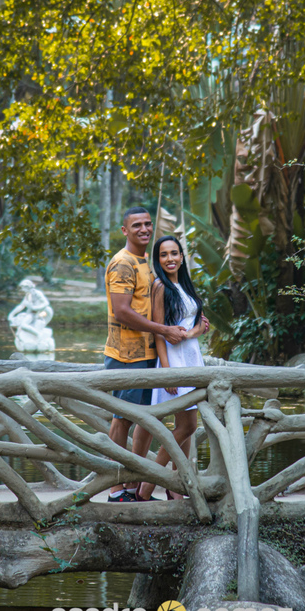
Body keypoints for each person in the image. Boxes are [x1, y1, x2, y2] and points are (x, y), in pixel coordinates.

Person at [104, 207, 188, 502]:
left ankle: (135, 486)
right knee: (122, 420)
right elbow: (122, 311)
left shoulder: (146, 263)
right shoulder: (123, 263)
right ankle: (116, 490)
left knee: (147, 420)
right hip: (126, 355)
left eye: (147, 224)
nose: (144, 229)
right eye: (136, 225)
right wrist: (163, 330)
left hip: (149, 353)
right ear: (124, 230)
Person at [137, 235, 208, 502]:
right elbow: (159, 332)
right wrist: (167, 372)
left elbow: (197, 326)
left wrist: (193, 332)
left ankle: (176, 487)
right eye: (164, 254)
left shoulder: (185, 285)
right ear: (158, 259)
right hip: (174, 361)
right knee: (188, 426)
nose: (170, 259)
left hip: (191, 358)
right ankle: (146, 487)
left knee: (185, 425)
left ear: (181, 256)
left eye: (174, 253)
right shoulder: (160, 286)